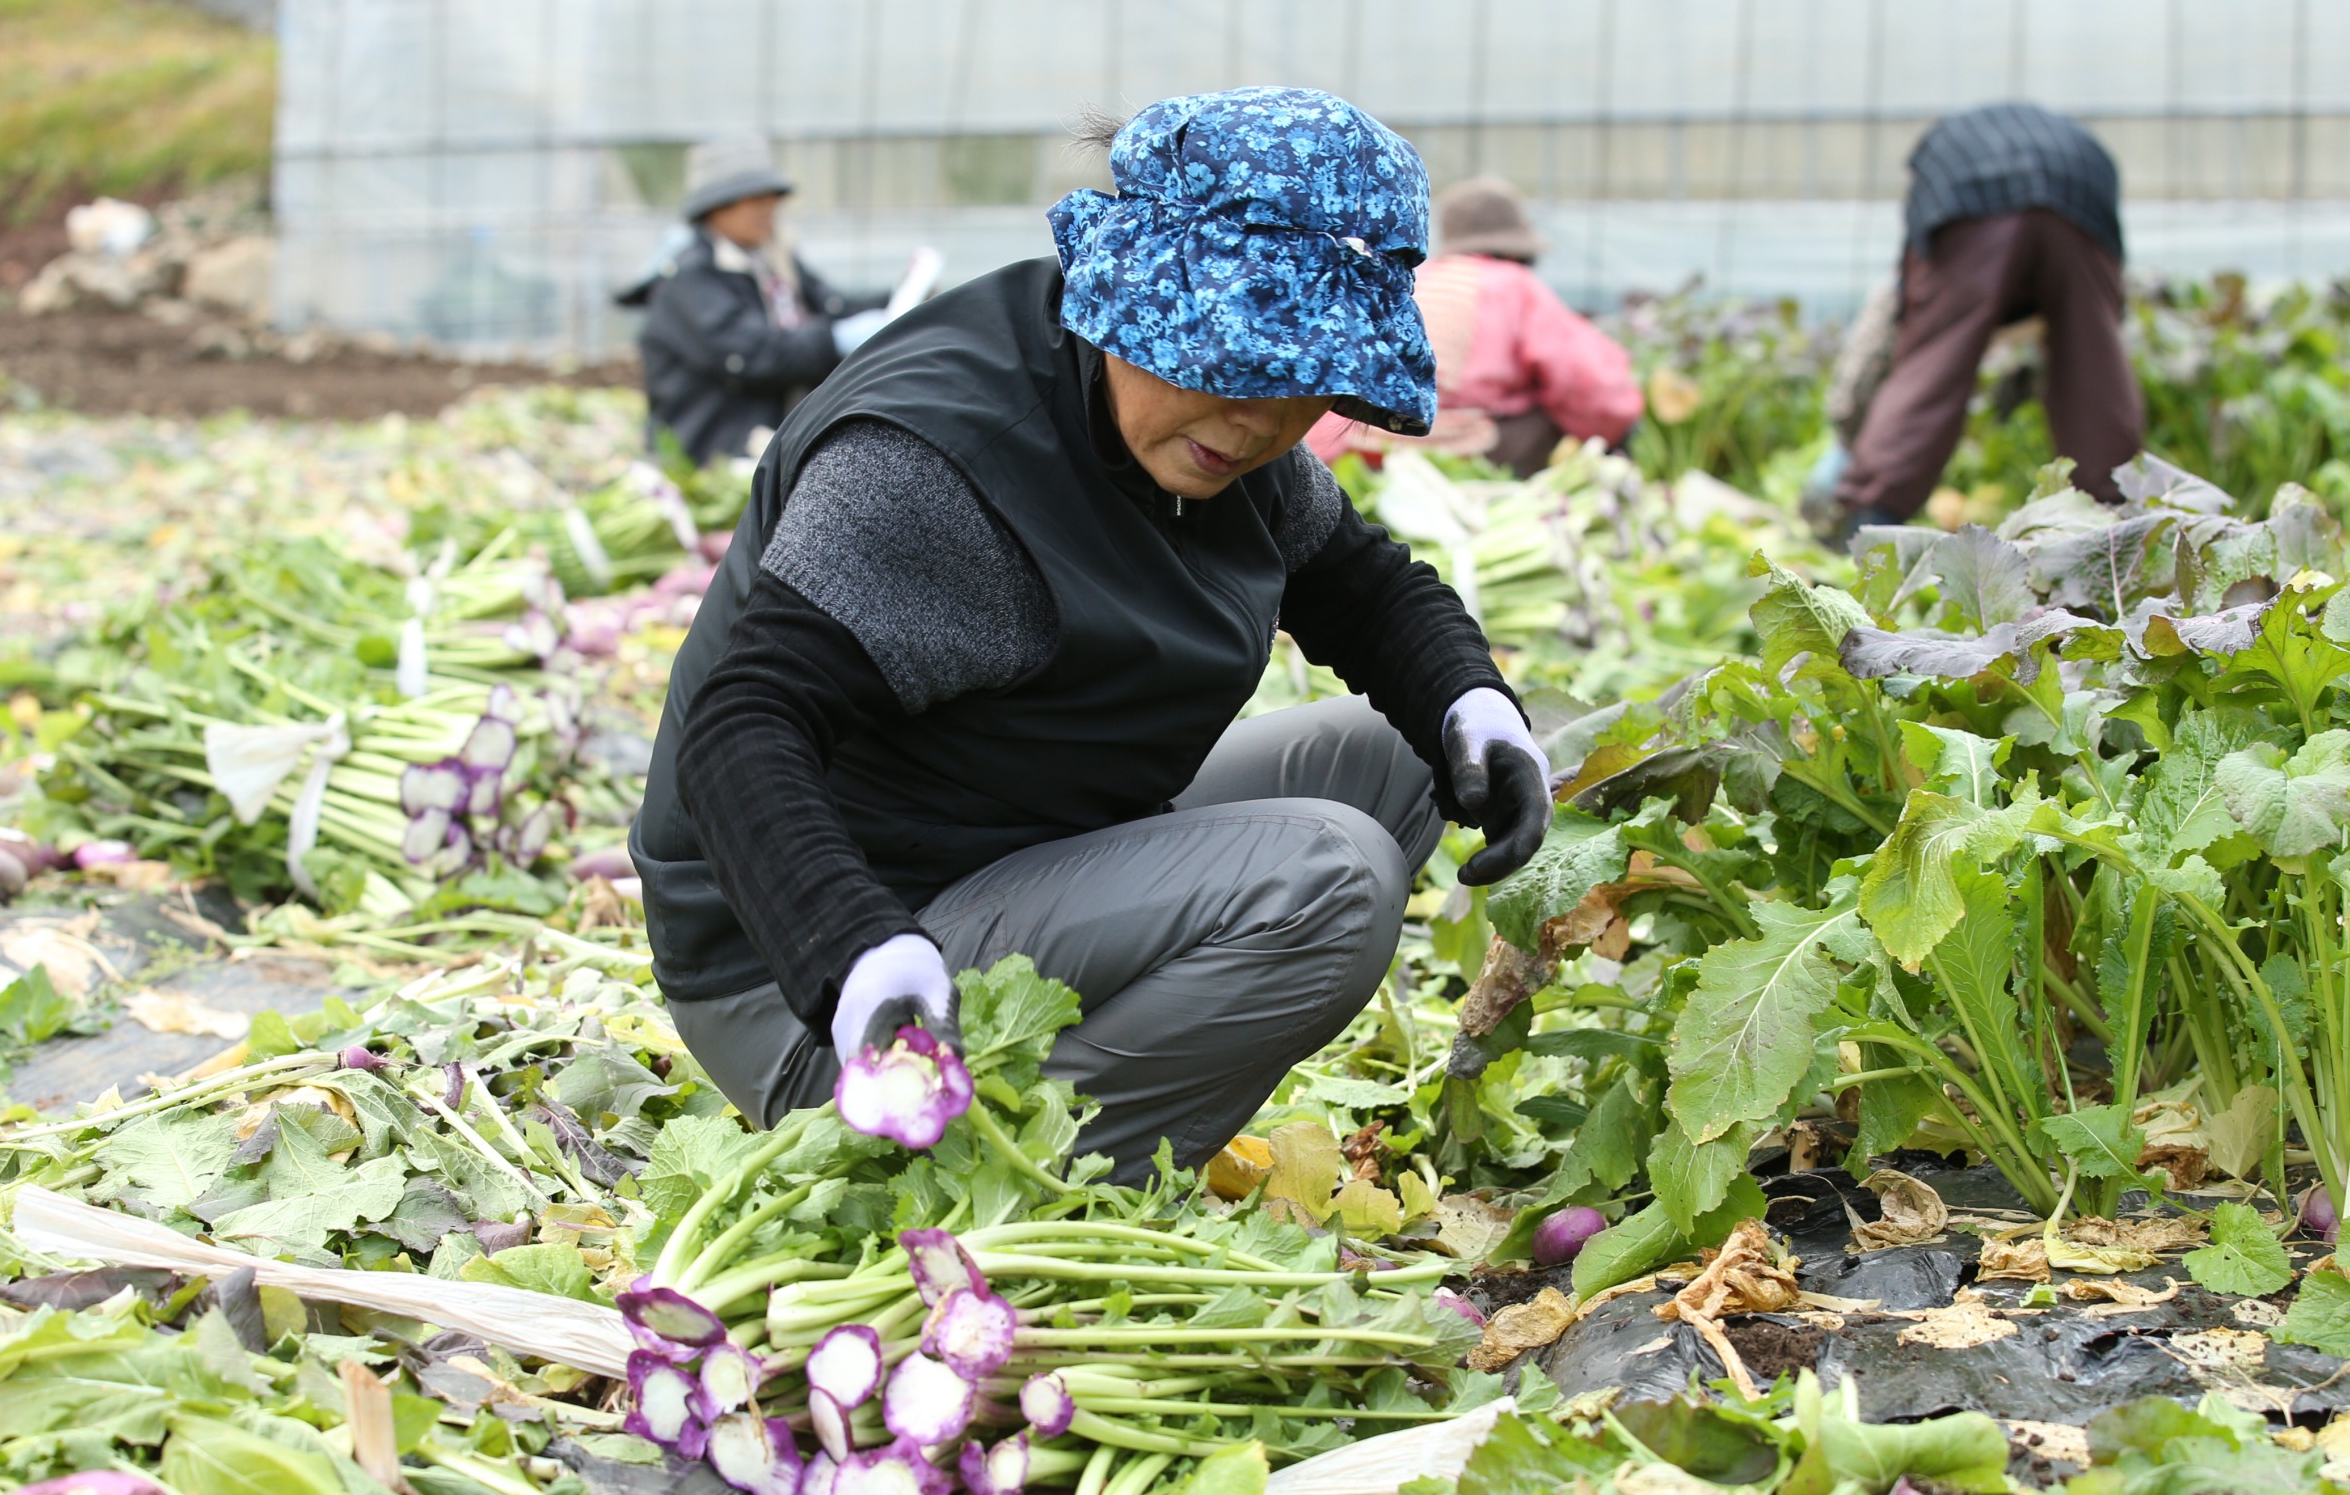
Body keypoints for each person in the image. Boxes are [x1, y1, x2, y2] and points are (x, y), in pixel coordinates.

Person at [629, 87, 1554, 1180]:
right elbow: (739, 729)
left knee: (1394, 750)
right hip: (820, 983)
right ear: (1139, 297)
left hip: (1011, 859)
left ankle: (1053, 1116)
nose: (1261, 420)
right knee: (1332, 878)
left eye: (1306, 379)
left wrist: (1473, 705)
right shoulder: (941, 465)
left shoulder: (1200, 428)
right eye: (1233, 361)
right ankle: (972, 1175)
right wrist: (853, 949)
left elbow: (1358, 581)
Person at [1807, 102, 2145, 542]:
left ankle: (1871, 526)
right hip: (2078, 194)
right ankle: (2115, 529)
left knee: (1933, 362)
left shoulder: (1935, 225)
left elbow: (1896, 341)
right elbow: (2103, 339)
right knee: (2094, 364)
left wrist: (1851, 453)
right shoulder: (2063, 173)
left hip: (1968, 196)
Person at [1307, 175, 1641, 475]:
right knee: (1554, 411)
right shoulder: (1513, 284)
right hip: (1464, 448)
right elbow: (1589, 387)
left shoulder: (1418, 279)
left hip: (1365, 444)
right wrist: (1615, 431)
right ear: (1517, 247)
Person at [616, 135, 891, 464]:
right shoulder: (690, 278)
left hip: (767, 446)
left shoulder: (771, 259)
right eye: (755, 200)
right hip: (711, 457)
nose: (769, 209)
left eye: (772, 198)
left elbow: (829, 304)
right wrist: (833, 339)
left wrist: (899, 302)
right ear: (717, 207)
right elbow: (753, 353)